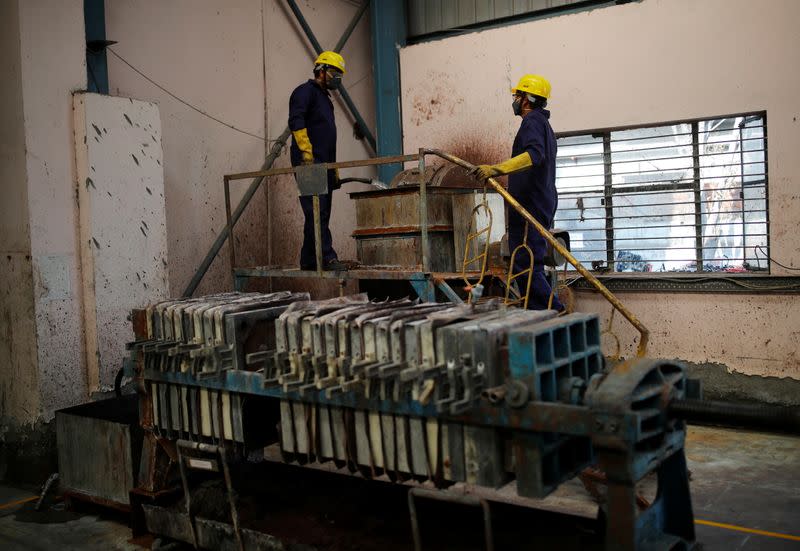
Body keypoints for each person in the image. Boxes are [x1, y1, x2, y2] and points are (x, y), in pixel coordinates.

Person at [469, 74, 563, 311]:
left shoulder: (532, 122)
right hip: (538, 201)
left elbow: (534, 155)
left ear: (526, 99)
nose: (515, 99)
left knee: (526, 263)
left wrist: (496, 169)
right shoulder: (544, 125)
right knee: (526, 262)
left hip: (530, 204)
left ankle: (557, 311)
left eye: (517, 95)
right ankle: (537, 313)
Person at [288, 51, 347, 271]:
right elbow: (296, 120)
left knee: (320, 213)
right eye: (334, 72)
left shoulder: (325, 99)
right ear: (320, 71)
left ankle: (308, 259)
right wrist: (306, 153)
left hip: (325, 164)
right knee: (316, 211)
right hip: (309, 163)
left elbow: (327, 137)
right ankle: (328, 257)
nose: (337, 77)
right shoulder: (305, 92)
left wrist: (334, 170)